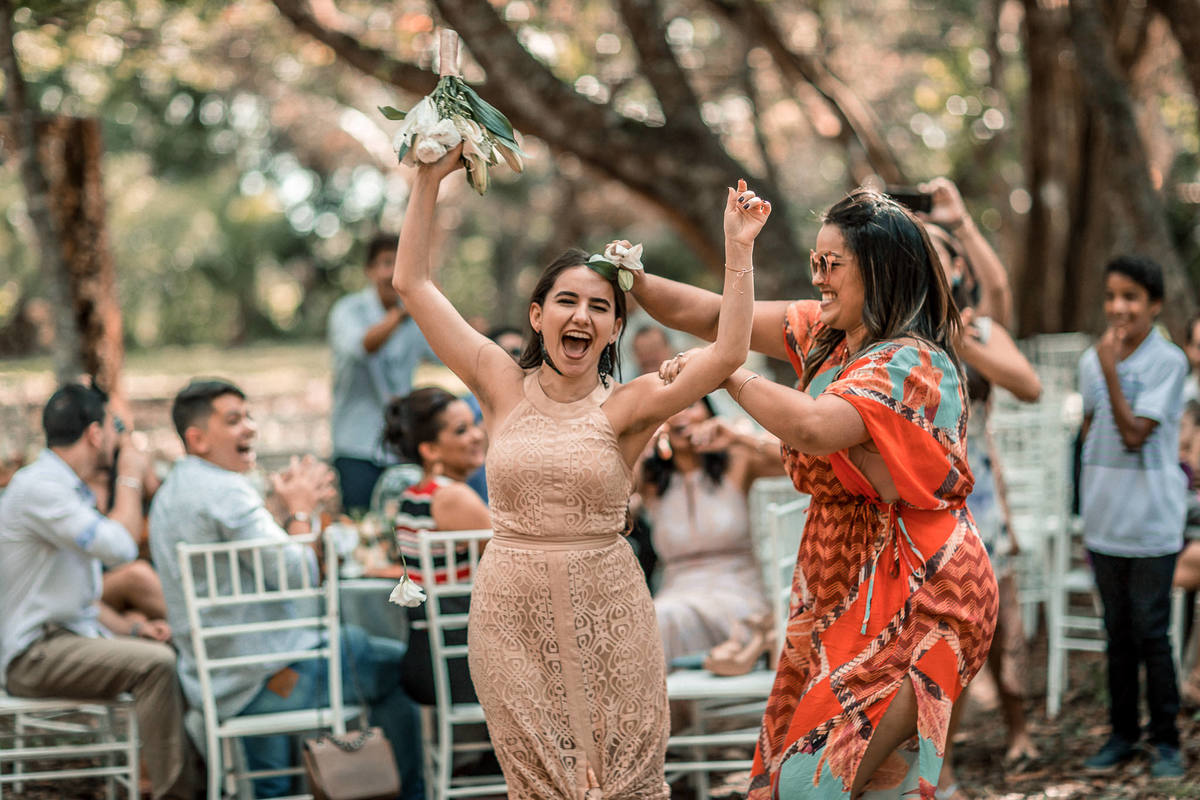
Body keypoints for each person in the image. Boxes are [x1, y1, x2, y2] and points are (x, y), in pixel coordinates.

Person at [391, 142, 769, 799]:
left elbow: (731, 348)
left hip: (611, 606)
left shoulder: (632, 403)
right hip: (510, 615)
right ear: (538, 315)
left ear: (616, 328)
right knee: (542, 785)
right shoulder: (496, 381)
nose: (582, 316)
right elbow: (413, 285)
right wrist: (428, 180)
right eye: (566, 301)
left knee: (622, 779)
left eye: (600, 306)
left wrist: (739, 252)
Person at [642, 188, 998, 797]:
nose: (820, 278)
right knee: (856, 785)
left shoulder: (912, 362)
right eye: (816, 263)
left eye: (833, 264)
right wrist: (626, 279)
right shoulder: (826, 336)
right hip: (836, 588)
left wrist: (727, 368)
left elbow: (812, 425)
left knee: (813, 785)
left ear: (881, 270)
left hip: (922, 594)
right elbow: (710, 314)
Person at [148, 379, 424, 799]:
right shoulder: (226, 492)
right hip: (272, 676)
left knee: (274, 779)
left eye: (249, 416)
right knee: (399, 669)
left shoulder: (173, 491)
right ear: (197, 438)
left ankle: (274, 791)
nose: (251, 428)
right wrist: (300, 509)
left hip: (222, 679)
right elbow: (299, 580)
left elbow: (263, 567)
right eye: (234, 420)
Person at [0, 383, 198, 800]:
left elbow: (76, 596)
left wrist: (129, 626)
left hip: (64, 640)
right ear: (94, 433)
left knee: (168, 647)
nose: (118, 437)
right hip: (32, 656)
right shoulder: (40, 489)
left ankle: (193, 777)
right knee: (156, 666)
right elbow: (122, 546)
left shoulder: (61, 486)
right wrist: (129, 473)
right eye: (115, 427)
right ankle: (177, 795)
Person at [919, 177, 1043, 797]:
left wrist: (961, 220)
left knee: (1003, 620)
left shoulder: (974, 329)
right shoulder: (896, 336)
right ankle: (940, 765)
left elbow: (1027, 382)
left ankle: (1018, 727)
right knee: (943, 639)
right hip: (920, 509)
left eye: (942, 253)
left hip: (982, 497)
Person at [1077, 256, 1187, 778]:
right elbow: (1090, 431)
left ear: (1154, 304)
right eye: (1112, 296)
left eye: (1131, 298)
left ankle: (1166, 740)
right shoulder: (1090, 359)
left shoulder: (1168, 362)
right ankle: (1122, 734)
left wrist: (1108, 370)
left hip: (1151, 526)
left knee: (1151, 631)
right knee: (1116, 634)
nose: (1119, 307)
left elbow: (1135, 433)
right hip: (1104, 522)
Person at [637, 396, 783, 666]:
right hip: (676, 593)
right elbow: (607, 490)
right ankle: (667, 707)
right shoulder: (649, 478)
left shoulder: (737, 461)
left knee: (664, 619)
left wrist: (739, 437)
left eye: (690, 405)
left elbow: (804, 461)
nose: (679, 415)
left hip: (738, 590)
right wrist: (640, 442)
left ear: (708, 413)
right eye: (669, 408)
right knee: (653, 619)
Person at [373, 386, 490, 706]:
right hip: (462, 662)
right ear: (430, 450)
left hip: (426, 655)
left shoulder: (413, 496)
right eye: (462, 430)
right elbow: (517, 564)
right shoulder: (452, 497)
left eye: (475, 424)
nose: (478, 436)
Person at [329, 233, 439, 513]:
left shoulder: (417, 314)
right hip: (356, 445)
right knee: (360, 528)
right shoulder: (348, 310)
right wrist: (399, 314)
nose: (394, 272)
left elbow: (443, 353)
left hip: (402, 445)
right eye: (387, 262)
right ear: (370, 270)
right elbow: (361, 346)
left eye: (402, 263)